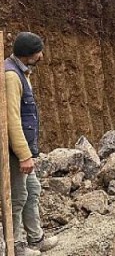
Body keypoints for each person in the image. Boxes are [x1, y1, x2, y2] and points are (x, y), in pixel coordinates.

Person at [5, 32, 58, 256]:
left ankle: (36, 238)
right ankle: (16, 245)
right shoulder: (11, 77)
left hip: (22, 149)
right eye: (38, 51)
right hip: (14, 151)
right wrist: (24, 154)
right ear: (28, 54)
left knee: (32, 190)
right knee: (17, 197)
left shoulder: (21, 72)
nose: (42, 55)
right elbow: (11, 120)